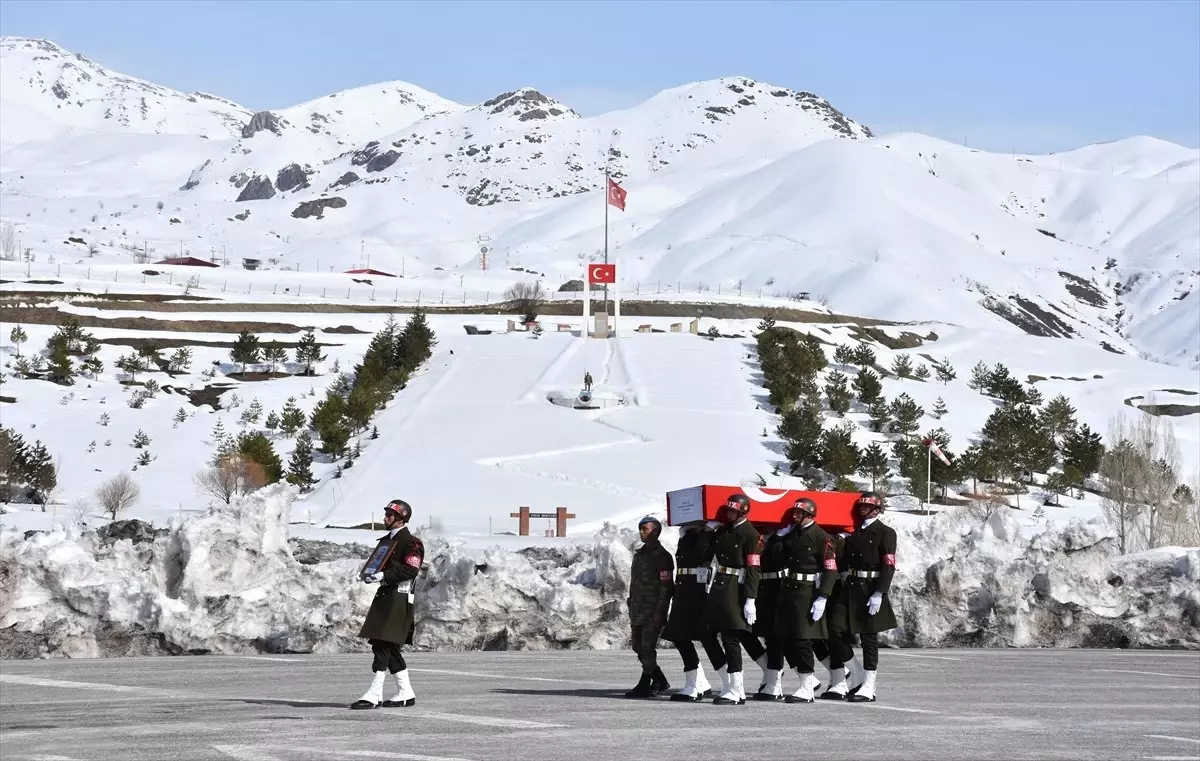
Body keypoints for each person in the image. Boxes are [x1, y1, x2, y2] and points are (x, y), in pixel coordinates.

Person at [350, 499, 425, 710]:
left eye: (389, 515)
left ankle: (374, 694)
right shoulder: (387, 541)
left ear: (400, 518)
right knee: (387, 645)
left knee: (383, 644)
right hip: (386, 595)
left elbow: (411, 570)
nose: (385, 518)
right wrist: (369, 574)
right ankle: (405, 692)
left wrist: (383, 575)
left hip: (399, 598)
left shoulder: (412, 543)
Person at [830, 491, 897, 703]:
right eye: (861, 506)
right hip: (852, 587)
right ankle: (856, 672)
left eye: (867, 507)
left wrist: (880, 592)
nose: (862, 510)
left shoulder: (886, 532)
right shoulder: (856, 533)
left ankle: (869, 685)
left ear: (877, 509)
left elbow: (889, 564)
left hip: (871, 587)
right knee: (833, 628)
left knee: (869, 638)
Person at [773, 498, 837, 703]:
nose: (795, 516)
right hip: (789, 590)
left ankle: (806, 688)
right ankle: (807, 683)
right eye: (794, 513)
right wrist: (778, 539)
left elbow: (830, 569)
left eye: (799, 513)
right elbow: (776, 558)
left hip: (808, 592)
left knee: (803, 640)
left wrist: (823, 597)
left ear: (810, 515)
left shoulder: (822, 537)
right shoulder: (792, 534)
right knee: (787, 638)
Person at [703, 493, 763, 705]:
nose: (729, 514)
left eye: (733, 511)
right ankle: (729, 682)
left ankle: (736, 690)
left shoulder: (751, 535)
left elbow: (754, 569)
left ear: (742, 512)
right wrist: (707, 532)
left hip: (735, 588)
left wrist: (750, 599)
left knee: (730, 637)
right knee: (707, 632)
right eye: (728, 510)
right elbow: (706, 551)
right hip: (719, 585)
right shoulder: (724, 531)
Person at [661, 520, 726, 702]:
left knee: (707, 638)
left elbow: (703, 554)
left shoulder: (710, 536)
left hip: (698, 591)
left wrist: (708, 531)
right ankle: (695, 683)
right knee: (679, 636)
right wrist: (687, 531)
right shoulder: (689, 536)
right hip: (684, 590)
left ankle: (730, 682)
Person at [625, 515, 674, 698]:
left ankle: (647, 682)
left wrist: (660, 612)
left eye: (645, 529)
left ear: (656, 531)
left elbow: (667, 587)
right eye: (640, 528)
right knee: (637, 646)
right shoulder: (640, 555)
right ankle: (659, 679)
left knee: (647, 647)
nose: (641, 532)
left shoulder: (663, 557)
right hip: (638, 609)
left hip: (653, 610)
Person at [751, 521, 788, 700]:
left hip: (777, 588)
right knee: (754, 633)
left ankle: (775, 684)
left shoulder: (782, 539)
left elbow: (778, 557)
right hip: (760, 588)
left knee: (775, 638)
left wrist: (779, 537)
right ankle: (771, 675)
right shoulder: (756, 537)